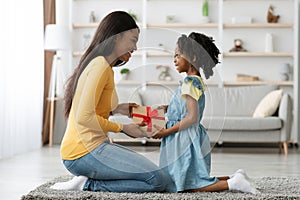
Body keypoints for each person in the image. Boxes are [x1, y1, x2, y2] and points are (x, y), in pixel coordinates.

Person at [50, 11, 166, 192]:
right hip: (82, 152)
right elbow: (83, 117)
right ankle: (87, 184)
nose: (135, 48)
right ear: (117, 37)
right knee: (156, 180)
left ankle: (86, 181)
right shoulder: (100, 66)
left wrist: (119, 110)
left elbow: (94, 108)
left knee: (158, 176)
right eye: (133, 40)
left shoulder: (104, 66)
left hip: (95, 146)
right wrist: (123, 128)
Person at [152, 32, 258, 194]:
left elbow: (192, 117)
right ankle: (235, 177)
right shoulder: (194, 81)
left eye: (178, 55)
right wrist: (168, 107)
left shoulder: (189, 83)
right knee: (191, 178)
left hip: (184, 138)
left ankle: (232, 184)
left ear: (193, 57)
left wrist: (166, 131)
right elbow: (186, 106)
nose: (174, 59)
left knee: (191, 185)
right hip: (187, 137)